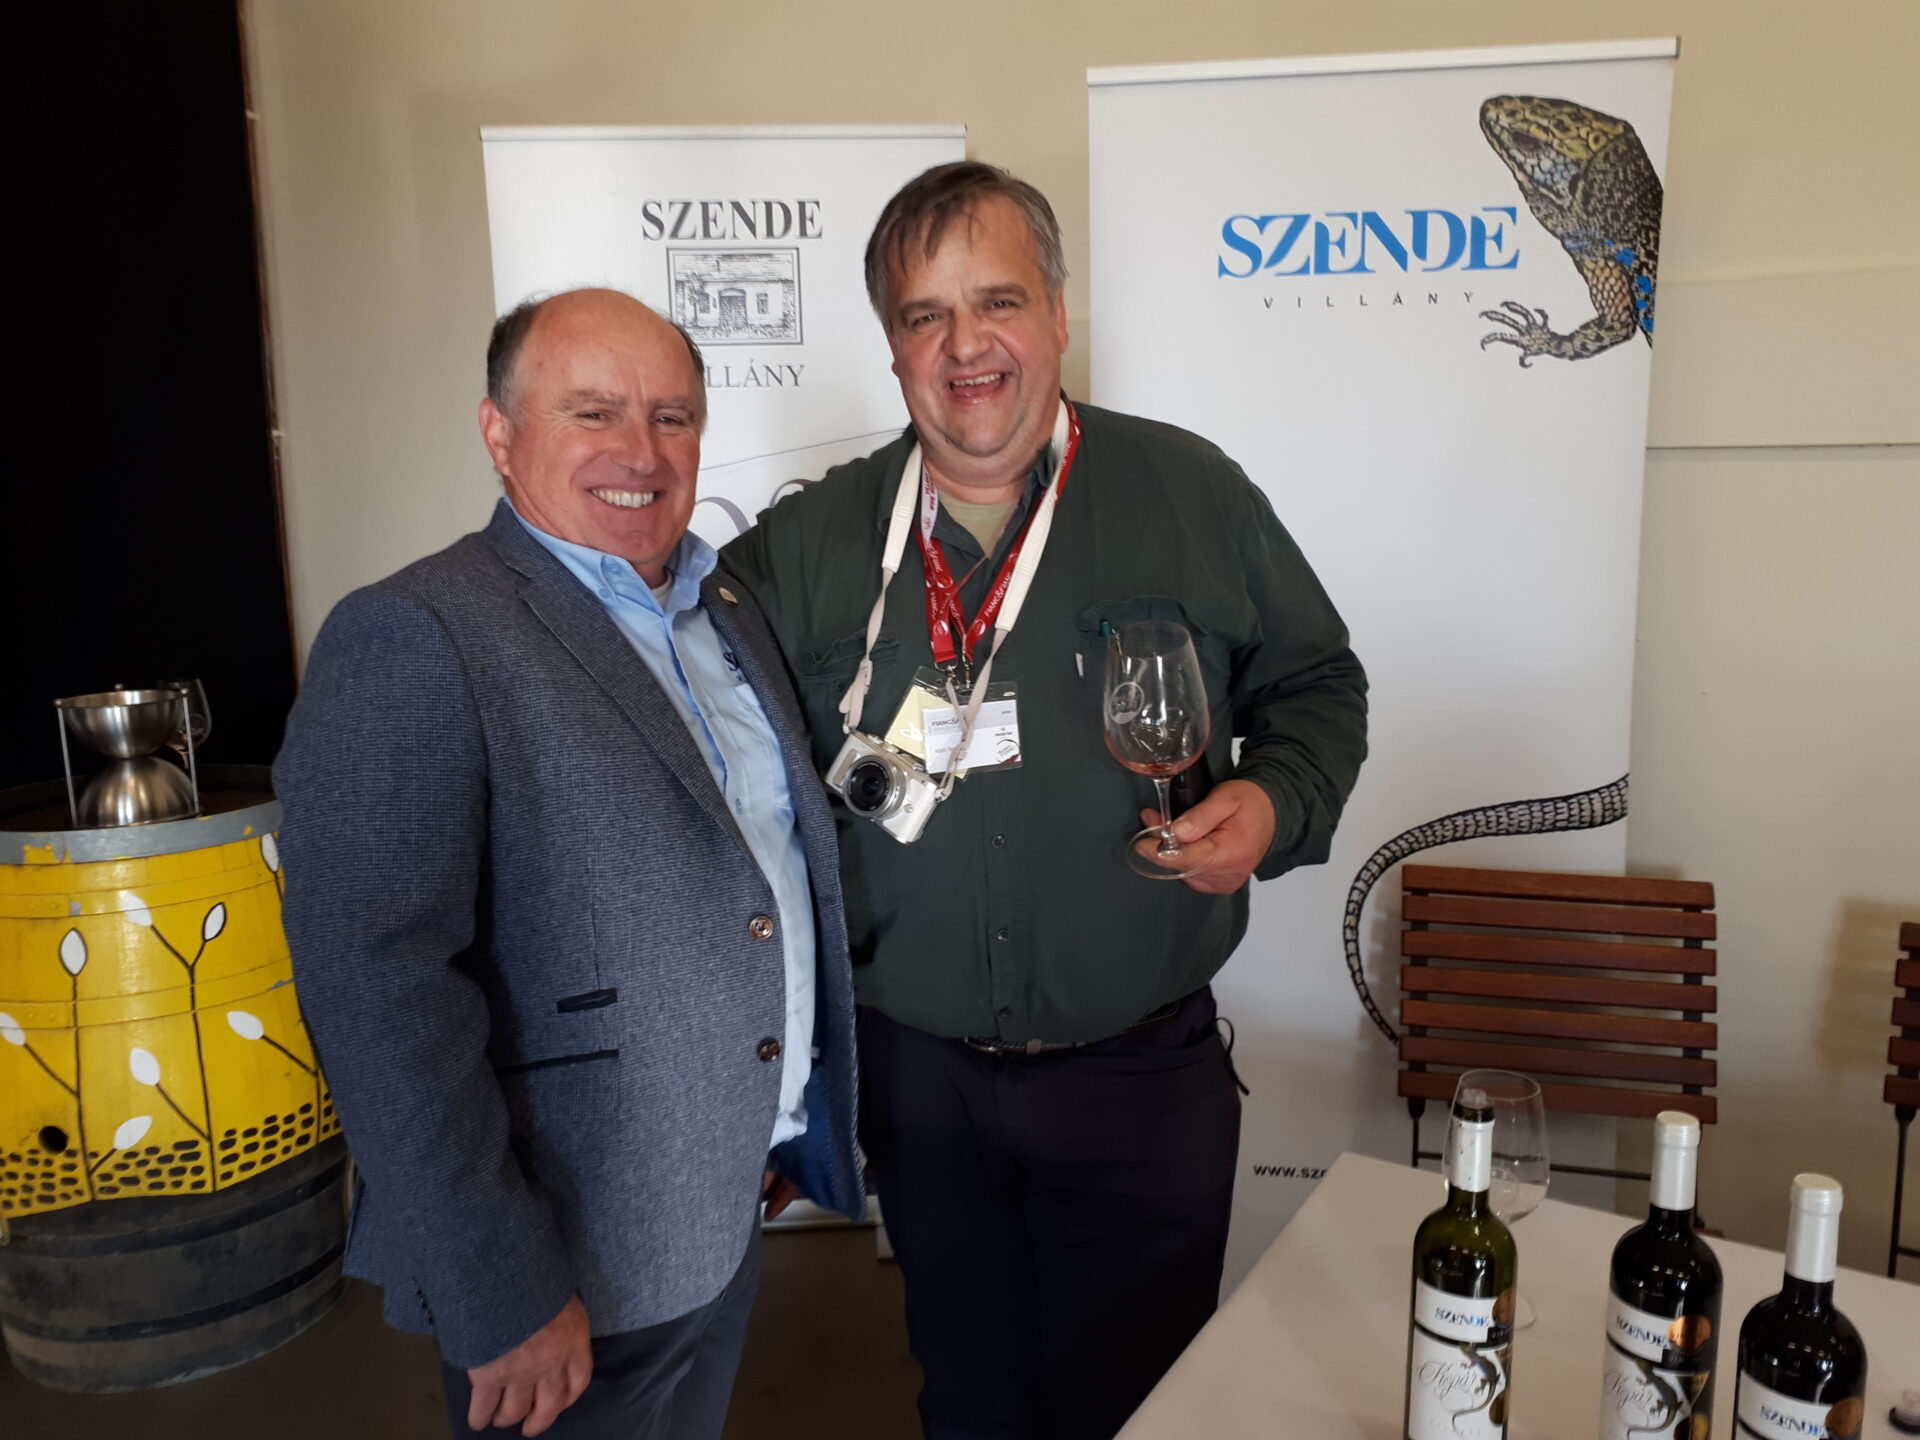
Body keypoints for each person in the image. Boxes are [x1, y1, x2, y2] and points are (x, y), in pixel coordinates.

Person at [720, 162, 1368, 1440]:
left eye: (998, 301)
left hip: (1140, 1080)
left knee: (1140, 1405)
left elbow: (1317, 683)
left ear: (1059, 316)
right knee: (969, 1399)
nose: (965, 345)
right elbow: (706, 775)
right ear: (893, 345)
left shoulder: (1191, 494)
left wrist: (1272, 802)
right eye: (925, 314)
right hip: (919, 1087)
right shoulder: (804, 548)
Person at [274, 288, 862, 1440]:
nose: (640, 452)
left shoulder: (722, 609)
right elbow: (376, 989)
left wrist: (780, 1114)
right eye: (593, 412)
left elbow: (756, 875)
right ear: (500, 435)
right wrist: (497, 1287)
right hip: (559, 1261)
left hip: (724, 1202)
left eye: (671, 417)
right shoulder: (419, 632)